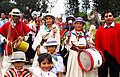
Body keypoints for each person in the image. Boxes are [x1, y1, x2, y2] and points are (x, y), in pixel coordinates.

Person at [0, 8, 31, 76]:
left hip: (19, 49)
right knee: (6, 65)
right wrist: (5, 40)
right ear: (11, 16)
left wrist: (23, 38)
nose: (16, 17)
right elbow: (1, 35)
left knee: (19, 65)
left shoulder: (22, 25)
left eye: (17, 16)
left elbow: (28, 34)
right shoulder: (6, 25)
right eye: (14, 16)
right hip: (8, 48)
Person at [94, 10, 120, 77]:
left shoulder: (118, 27)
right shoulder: (100, 30)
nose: (108, 18)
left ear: (113, 17)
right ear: (104, 18)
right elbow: (97, 43)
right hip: (103, 56)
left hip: (115, 55)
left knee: (115, 74)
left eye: (110, 16)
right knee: (102, 74)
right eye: (106, 16)